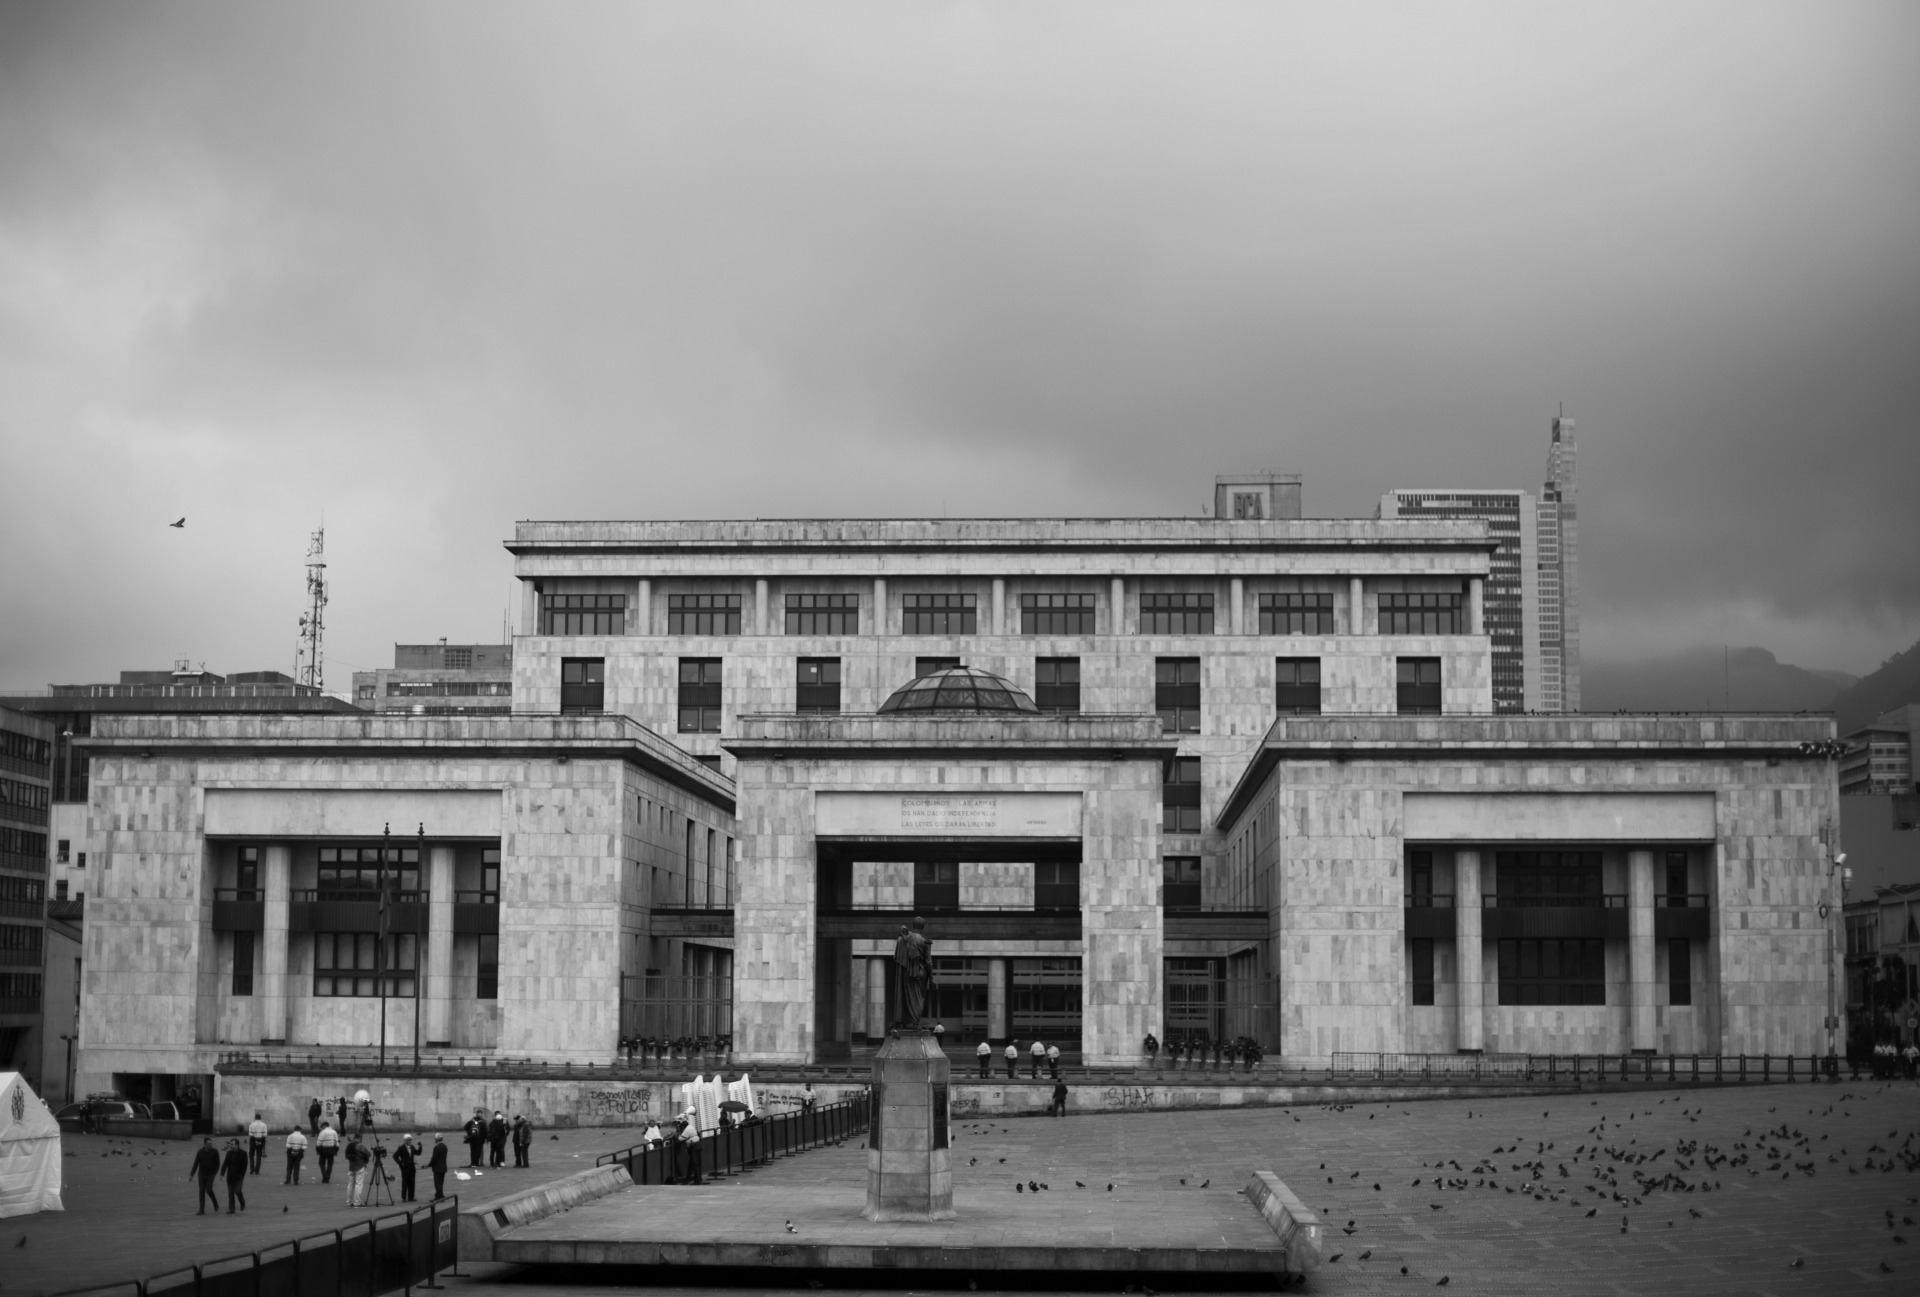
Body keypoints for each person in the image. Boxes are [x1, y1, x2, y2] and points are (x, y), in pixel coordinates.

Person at [189, 1136, 222, 1215]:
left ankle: (215, 1203)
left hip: (210, 1174)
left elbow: (217, 1164)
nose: (210, 1145)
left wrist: (214, 1173)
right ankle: (201, 1210)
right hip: (201, 1175)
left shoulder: (215, 1152)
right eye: (208, 1144)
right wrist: (191, 1175)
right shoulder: (200, 1152)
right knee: (201, 1191)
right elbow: (196, 1164)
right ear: (204, 1144)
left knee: (209, 1190)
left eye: (211, 1144)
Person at [221, 1138, 250, 1213]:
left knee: (237, 1191)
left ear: (237, 1145)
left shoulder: (243, 1153)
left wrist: (241, 1175)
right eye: (230, 1144)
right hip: (230, 1175)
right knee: (230, 1192)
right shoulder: (229, 1153)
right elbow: (225, 1163)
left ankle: (242, 1201)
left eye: (232, 1144)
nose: (231, 1146)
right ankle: (232, 1208)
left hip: (238, 1176)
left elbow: (244, 1166)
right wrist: (222, 1173)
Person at [344, 1133, 371, 1207]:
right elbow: (368, 1154)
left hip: (351, 1166)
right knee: (358, 1184)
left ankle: (348, 1202)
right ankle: (357, 1202)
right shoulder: (360, 1145)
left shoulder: (349, 1145)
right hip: (359, 1166)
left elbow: (346, 1156)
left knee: (350, 1185)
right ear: (359, 1138)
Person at [393, 1133, 418, 1201]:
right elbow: (395, 1156)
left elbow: (417, 1153)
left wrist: (420, 1147)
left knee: (412, 1182)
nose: (410, 1141)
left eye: (410, 1140)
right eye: (408, 1140)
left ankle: (411, 1197)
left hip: (412, 1167)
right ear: (405, 1140)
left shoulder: (412, 1147)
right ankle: (403, 1197)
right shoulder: (401, 1148)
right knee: (405, 1182)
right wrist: (400, 1163)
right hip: (405, 1168)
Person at [428, 1134, 449, 1200]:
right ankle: (440, 1194)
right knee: (441, 1182)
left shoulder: (436, 1147)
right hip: (443, 1167)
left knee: (437, 1183)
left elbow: (434, 1158)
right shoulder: (445, 1146)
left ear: (437, 1139)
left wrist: (429, 1165)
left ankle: (439, 1196)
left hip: (437, 1168)